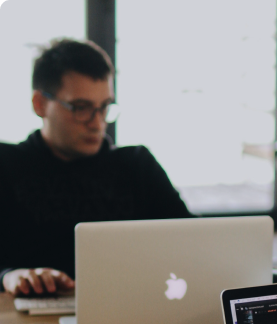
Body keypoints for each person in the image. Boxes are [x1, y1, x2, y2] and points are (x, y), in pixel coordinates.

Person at [0, 39, 193, 296]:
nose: (97, 123)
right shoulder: (6, 165)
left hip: (128, 317)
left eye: (104, 108)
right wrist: (8, 276)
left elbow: (193, 244)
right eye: (81, 108)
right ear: (40, 104)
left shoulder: (137, 165)